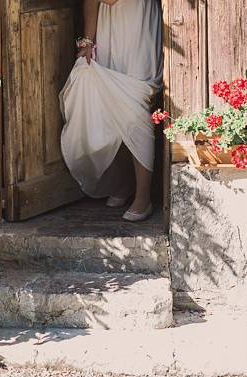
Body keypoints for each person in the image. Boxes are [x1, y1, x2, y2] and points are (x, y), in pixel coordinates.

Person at [60, 0, 163, 221]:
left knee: (135, 104)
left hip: (138, 27)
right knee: (109, 101)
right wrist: (88, 40)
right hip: (109, 29)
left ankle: (144, 197)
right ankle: (126, 182)